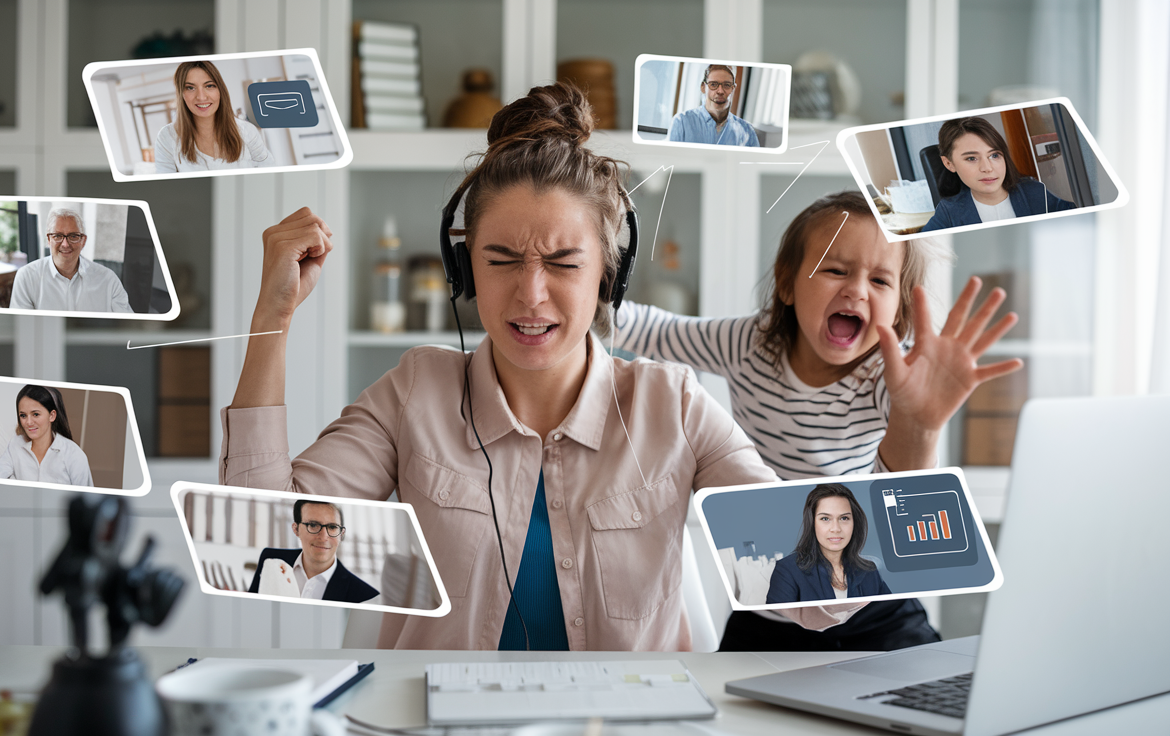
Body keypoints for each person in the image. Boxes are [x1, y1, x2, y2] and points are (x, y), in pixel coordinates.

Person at [220, 83, 860, 651]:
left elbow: (817, 600)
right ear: (465, 270)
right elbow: (256, 551)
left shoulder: (675, 406)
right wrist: (271, 317)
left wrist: (909, 438)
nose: (531, 294)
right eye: (500, 260)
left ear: (608, 275)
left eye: (561, 262)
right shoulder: (416, 393)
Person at [612, 190, 1023, 650]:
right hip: (770, 606)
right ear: (787, 284)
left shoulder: (890, 376)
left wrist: (920, 424)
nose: (856, 290)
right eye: (835, 270)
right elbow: (648, 329)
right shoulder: (747, 343)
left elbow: (908, 509)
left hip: (873, 606)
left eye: (882, 281)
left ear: (901, 312)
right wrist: (583, 289)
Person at [920, 116, 1075, 231]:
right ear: (949, 163)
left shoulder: (1034, 192)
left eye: (994, 155)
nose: (987, 168)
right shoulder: (949, 212)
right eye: (972, 158)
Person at [766, 484, 890, 604]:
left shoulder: (869, 571)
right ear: (812, 523)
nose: (835, 529)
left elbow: (893, 615)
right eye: (825, 519)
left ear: (854, 522)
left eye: (844, 518)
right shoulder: (787, 570)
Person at [154, 60, 278, 173]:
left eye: (209, 86)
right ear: (181, 94)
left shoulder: (247, 132)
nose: (201, 97)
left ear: (220, 90)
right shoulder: (167, 137)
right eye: (190, 88)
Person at [247, 499, 379, 603]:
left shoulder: (365, 596)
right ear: (296, 529)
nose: (323, 537)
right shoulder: (271, 559)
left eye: (332, 527)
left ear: (341, 534)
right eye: (313, 525)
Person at [9, 208, 132, 313]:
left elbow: (128, 325)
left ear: (83, 241)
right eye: (57, 236)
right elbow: (21, 329)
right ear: (49, 240)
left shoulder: (108, 280)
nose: (65, 244)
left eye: (73, 236)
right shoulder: (26, 276)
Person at [0, 385, 95, 486]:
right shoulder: (16, 445)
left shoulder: (74, 455)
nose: (28, 422)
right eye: (23, 415)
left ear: (52, 416)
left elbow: (85, 501)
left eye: (35, 414)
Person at [667, 64, 760, 147]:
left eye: (726, 85)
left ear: (733, 89)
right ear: (703, 87)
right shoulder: (681, 122)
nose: (720, 91)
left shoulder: (748, 131)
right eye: (713, 84)